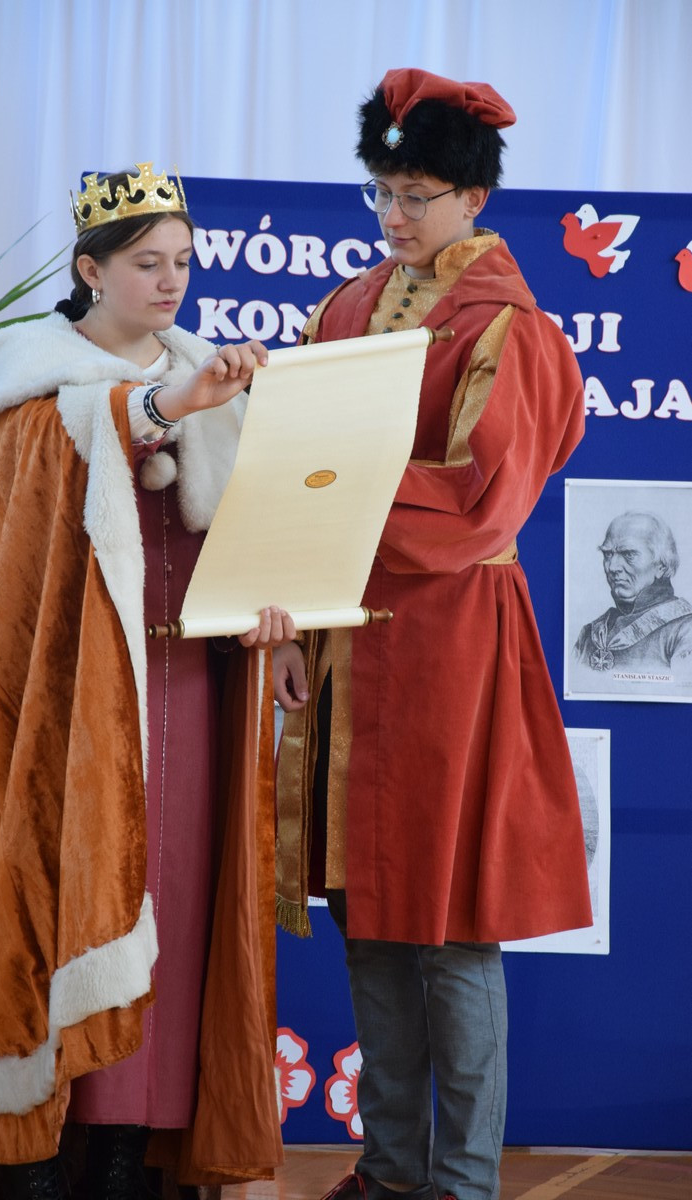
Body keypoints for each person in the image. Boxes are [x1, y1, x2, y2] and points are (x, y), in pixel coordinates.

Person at [0, 163, 290, 1200]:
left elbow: (253, 525)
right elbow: (46, 467)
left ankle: (133, 1150)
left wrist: (281, 622)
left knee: (179, 904)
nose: (171, 281)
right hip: (79, 702)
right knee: (73, 893)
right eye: (146, 263)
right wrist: (165, 405)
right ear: (91, 271)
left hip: (190, 687)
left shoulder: (204, 374)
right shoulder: (30, 378)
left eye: (183, 262)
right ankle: (53, 1145)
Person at [273, 70, 593, 1200]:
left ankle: (460, 1183)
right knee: (367, 914)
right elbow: (287, 482)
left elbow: (478, 507)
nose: (394, 215)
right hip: (344, 647)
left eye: (415, 195)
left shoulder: (511, 329)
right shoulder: (343, 309)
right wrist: (292, 622)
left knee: (452, 927)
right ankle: (390, 1169)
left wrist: (327, 474)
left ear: (472, 199)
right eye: (382, 192)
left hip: (452, 646)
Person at [574, 510, 692, 678]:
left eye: (629, 554)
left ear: (661, 566)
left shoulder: (685, 629)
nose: (612, 567)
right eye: (608, 554)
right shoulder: (590, 634)